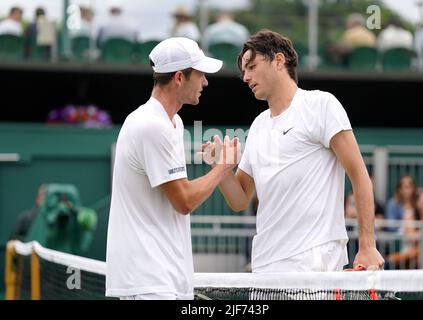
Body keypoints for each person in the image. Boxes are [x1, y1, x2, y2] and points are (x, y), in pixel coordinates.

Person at [203, 29, 384, 273]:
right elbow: (239, 200)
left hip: (314, 261)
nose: (245, 77)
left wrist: (367, 245)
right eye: (244, 71)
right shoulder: (258, 126)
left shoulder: (321, 105)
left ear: (279, 60)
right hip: (265, 265)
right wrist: (222, 168)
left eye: (252, 66)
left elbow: (360, 176)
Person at [105, 37, 240, 300]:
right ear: (179, 78)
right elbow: (184, 200)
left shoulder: (172, 123)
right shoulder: (151, 125)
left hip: (165, 279)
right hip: (149, 284)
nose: (205, 82)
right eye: (200, 75)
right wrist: (223, 167)